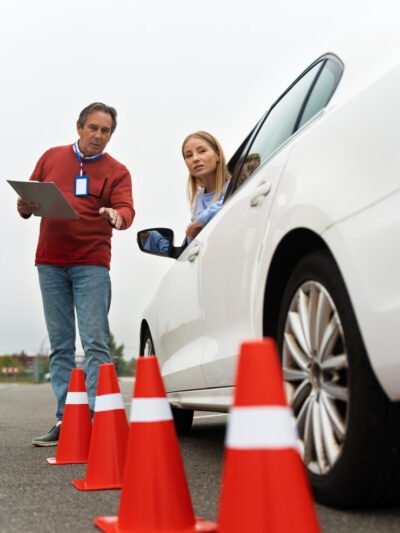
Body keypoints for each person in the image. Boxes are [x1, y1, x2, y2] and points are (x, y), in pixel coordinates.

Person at [17, 102, 135, 446]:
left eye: (106, 131)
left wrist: (117, 215)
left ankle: (98, 419)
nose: (98, 136)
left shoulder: (118, 171)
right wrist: (24, 207)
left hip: (91, 264)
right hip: (50, 263)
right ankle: (65, 419)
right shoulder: (52, 157)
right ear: (79, 127)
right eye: (93, 128)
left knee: (96, 342)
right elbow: (28, 198)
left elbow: (126, 209)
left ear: (111, 134)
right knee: (61, 346)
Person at [182, 131, 230, 241]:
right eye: (189, 155)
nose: (195, 159)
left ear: (217, 154)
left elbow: (230, 201)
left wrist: (201, 220)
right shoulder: (198, 200)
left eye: (202, 151)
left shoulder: (236, 185)